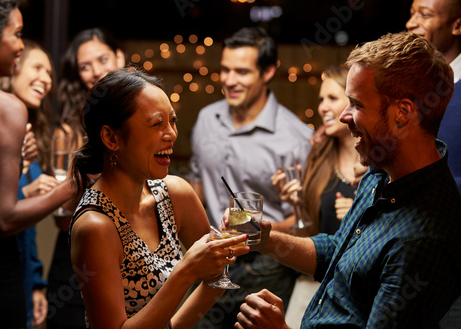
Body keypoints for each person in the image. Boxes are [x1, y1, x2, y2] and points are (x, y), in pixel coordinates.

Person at [234, 31, 461, 328]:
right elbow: (337, 252)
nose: (343, 115)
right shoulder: (380, 172)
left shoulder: (423, 241)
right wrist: (264, 239)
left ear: (402, 112)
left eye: (356, 104)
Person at [68, 68, 249, 328]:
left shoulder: (175, 195)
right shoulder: (96, 226)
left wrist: (223, 249)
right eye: (157, 124)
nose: (171, 134)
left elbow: (215, 278)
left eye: (172, 121)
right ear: (111, 138)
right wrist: (186, 271)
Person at [0, 0, 74, 327]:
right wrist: (74, 183)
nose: (20, 46)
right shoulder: (3, 107)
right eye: (18, 34)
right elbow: (1, 219)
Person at [190, 26, 313, 328]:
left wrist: (251, 231)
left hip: (266, 267)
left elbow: (306, 221)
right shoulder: (207, 119)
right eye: (225, 70)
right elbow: (198, 184)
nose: (230, 81)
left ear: (268, 72)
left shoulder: (296, 138)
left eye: (242, 72)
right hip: (212, 261)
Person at [46, 27, 126, 329]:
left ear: (119, 56)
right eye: (84, 66)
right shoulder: (67, 132)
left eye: (103, 59)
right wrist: (82, 179)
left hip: (131, 253)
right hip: (76, 258)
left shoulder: (141, 117)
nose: (95, 72)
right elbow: (62, 221)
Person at [270, 65, 361, 328]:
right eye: (321, 99)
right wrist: (297, 205)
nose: (322, 107)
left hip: (358, 286)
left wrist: (359, 210)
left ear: (354, 100)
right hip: (316, 282)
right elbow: (310, 233)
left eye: (332, 98)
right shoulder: (319, 158)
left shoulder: (376, 160)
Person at [0, 39, 59, 328]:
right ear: (14, 69)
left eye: (50, 74)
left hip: (20, 276)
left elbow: (28, 230)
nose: (46, 79)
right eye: (38, 68)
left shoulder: (30, 139)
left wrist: (35, 284)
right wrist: (25, 193)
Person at [406, 0, 461, 326]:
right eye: (412, 12)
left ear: (457, 26)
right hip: (405, 268)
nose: (411, 22)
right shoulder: (408, 88)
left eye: (424, 15)